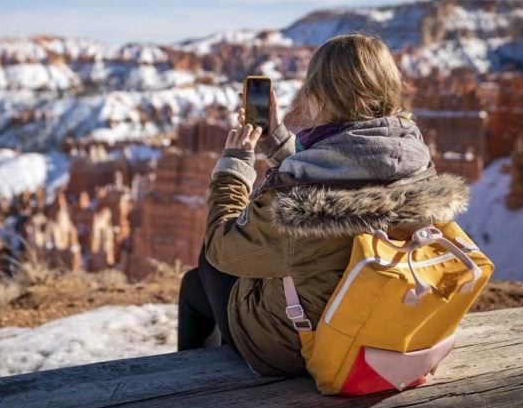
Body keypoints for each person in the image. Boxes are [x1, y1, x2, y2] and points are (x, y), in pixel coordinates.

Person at [177, 33, 469, 376]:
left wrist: (235, 165)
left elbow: (222, 247)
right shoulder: (414, 160)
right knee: (196, 286)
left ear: (320, 94)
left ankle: (194, 388)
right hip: (389, 330)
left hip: (307, 344)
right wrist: (276, 141)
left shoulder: (299, 204)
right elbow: (349, 173)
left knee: (209, 263)